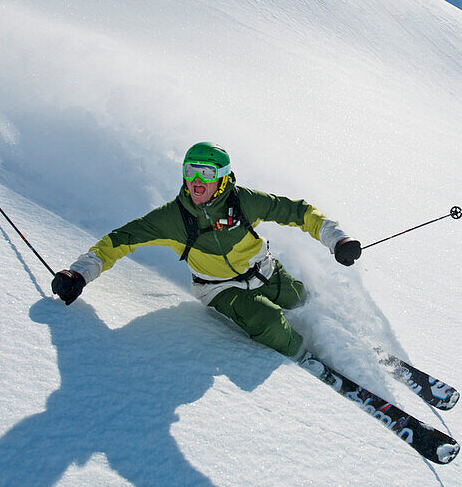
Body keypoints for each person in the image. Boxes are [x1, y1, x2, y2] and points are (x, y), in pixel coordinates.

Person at [51, 142, 361, 362]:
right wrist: (79, 273)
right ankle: (306, 359)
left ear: (223, 177)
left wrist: (337, 239)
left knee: (298, 298)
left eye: (206, 173)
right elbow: (118, 241)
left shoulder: (244, 201)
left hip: (265, 269)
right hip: (220, 288)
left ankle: (329, 330)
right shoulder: (172, 218)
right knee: (269, 324)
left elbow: (297, 212)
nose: (197, 182)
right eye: (190, 171)